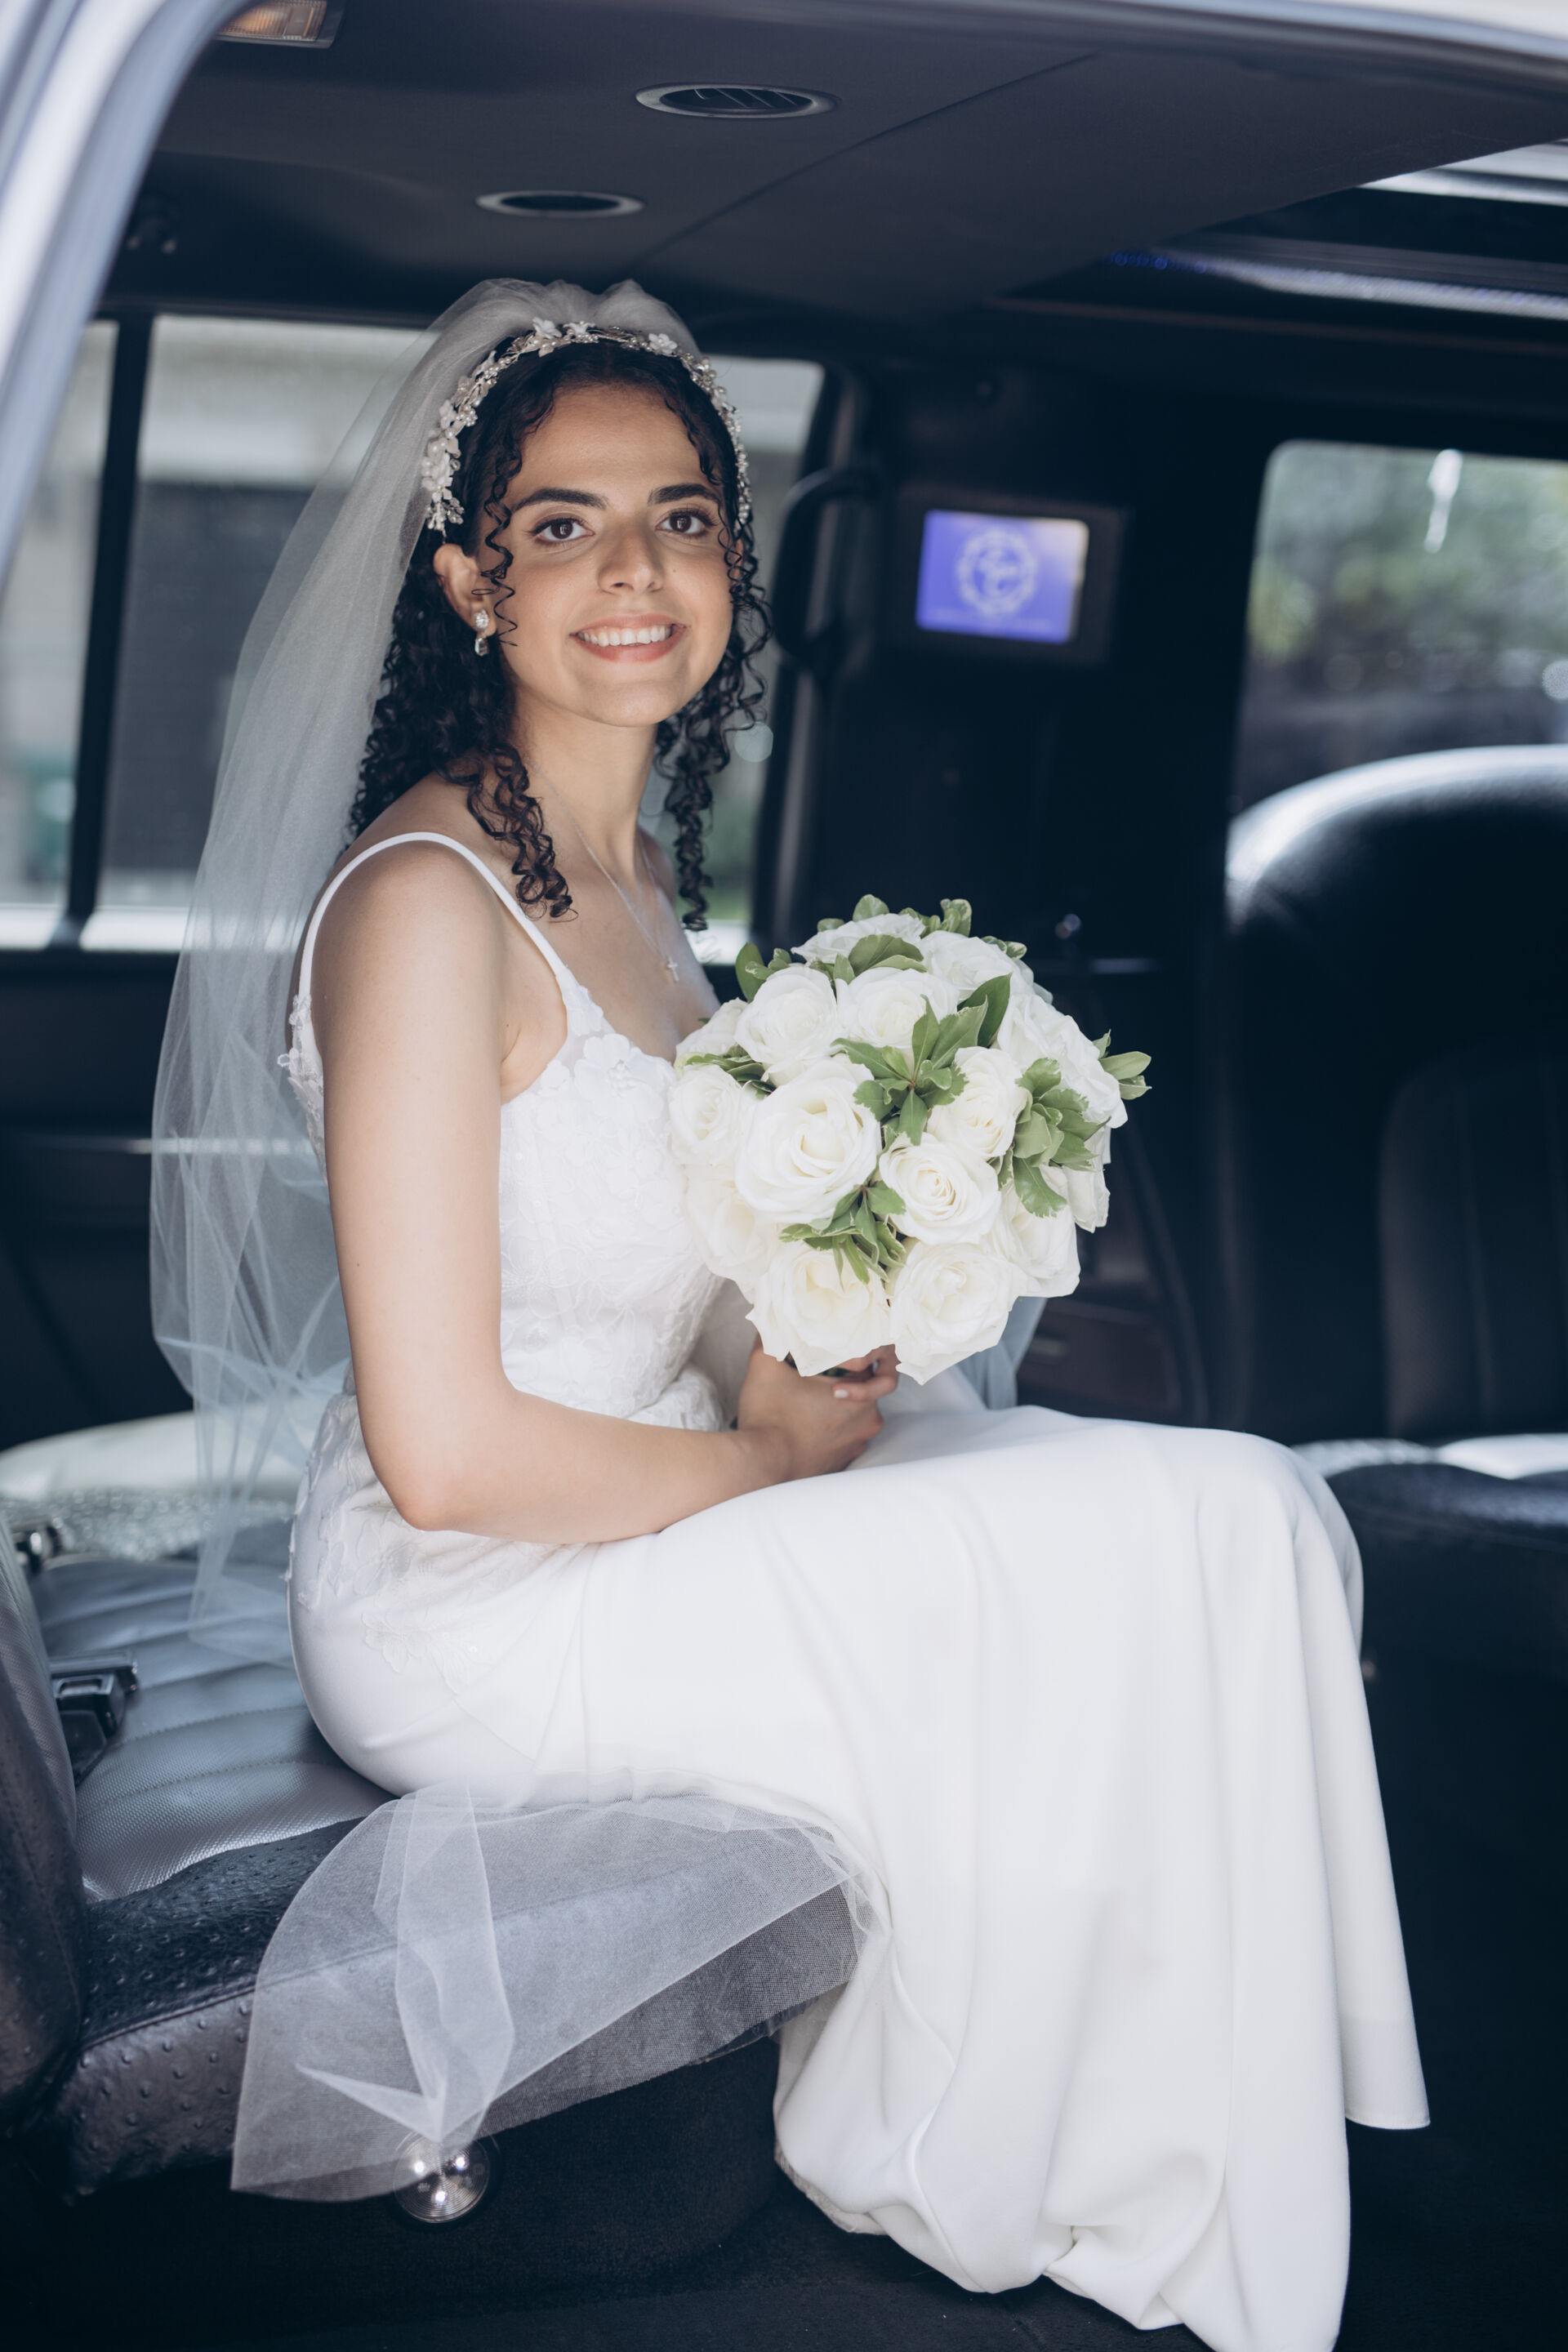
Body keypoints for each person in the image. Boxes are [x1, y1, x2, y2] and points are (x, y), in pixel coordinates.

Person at [152, 282, 1425, 2352]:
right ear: (470, 581)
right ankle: (1100, 2174)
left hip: (661, 1494)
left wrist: (829, 1329)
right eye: (562, 526)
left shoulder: (647, 890)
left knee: (1245, 1511)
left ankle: (1177, 2117)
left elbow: (689, 1297)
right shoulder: (422, 908)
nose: (633, 572)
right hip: (476, 1595)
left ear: (737, 566)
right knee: (1186, 1531)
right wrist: (762, 1458)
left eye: (681, 518)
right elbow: (445, 1455)